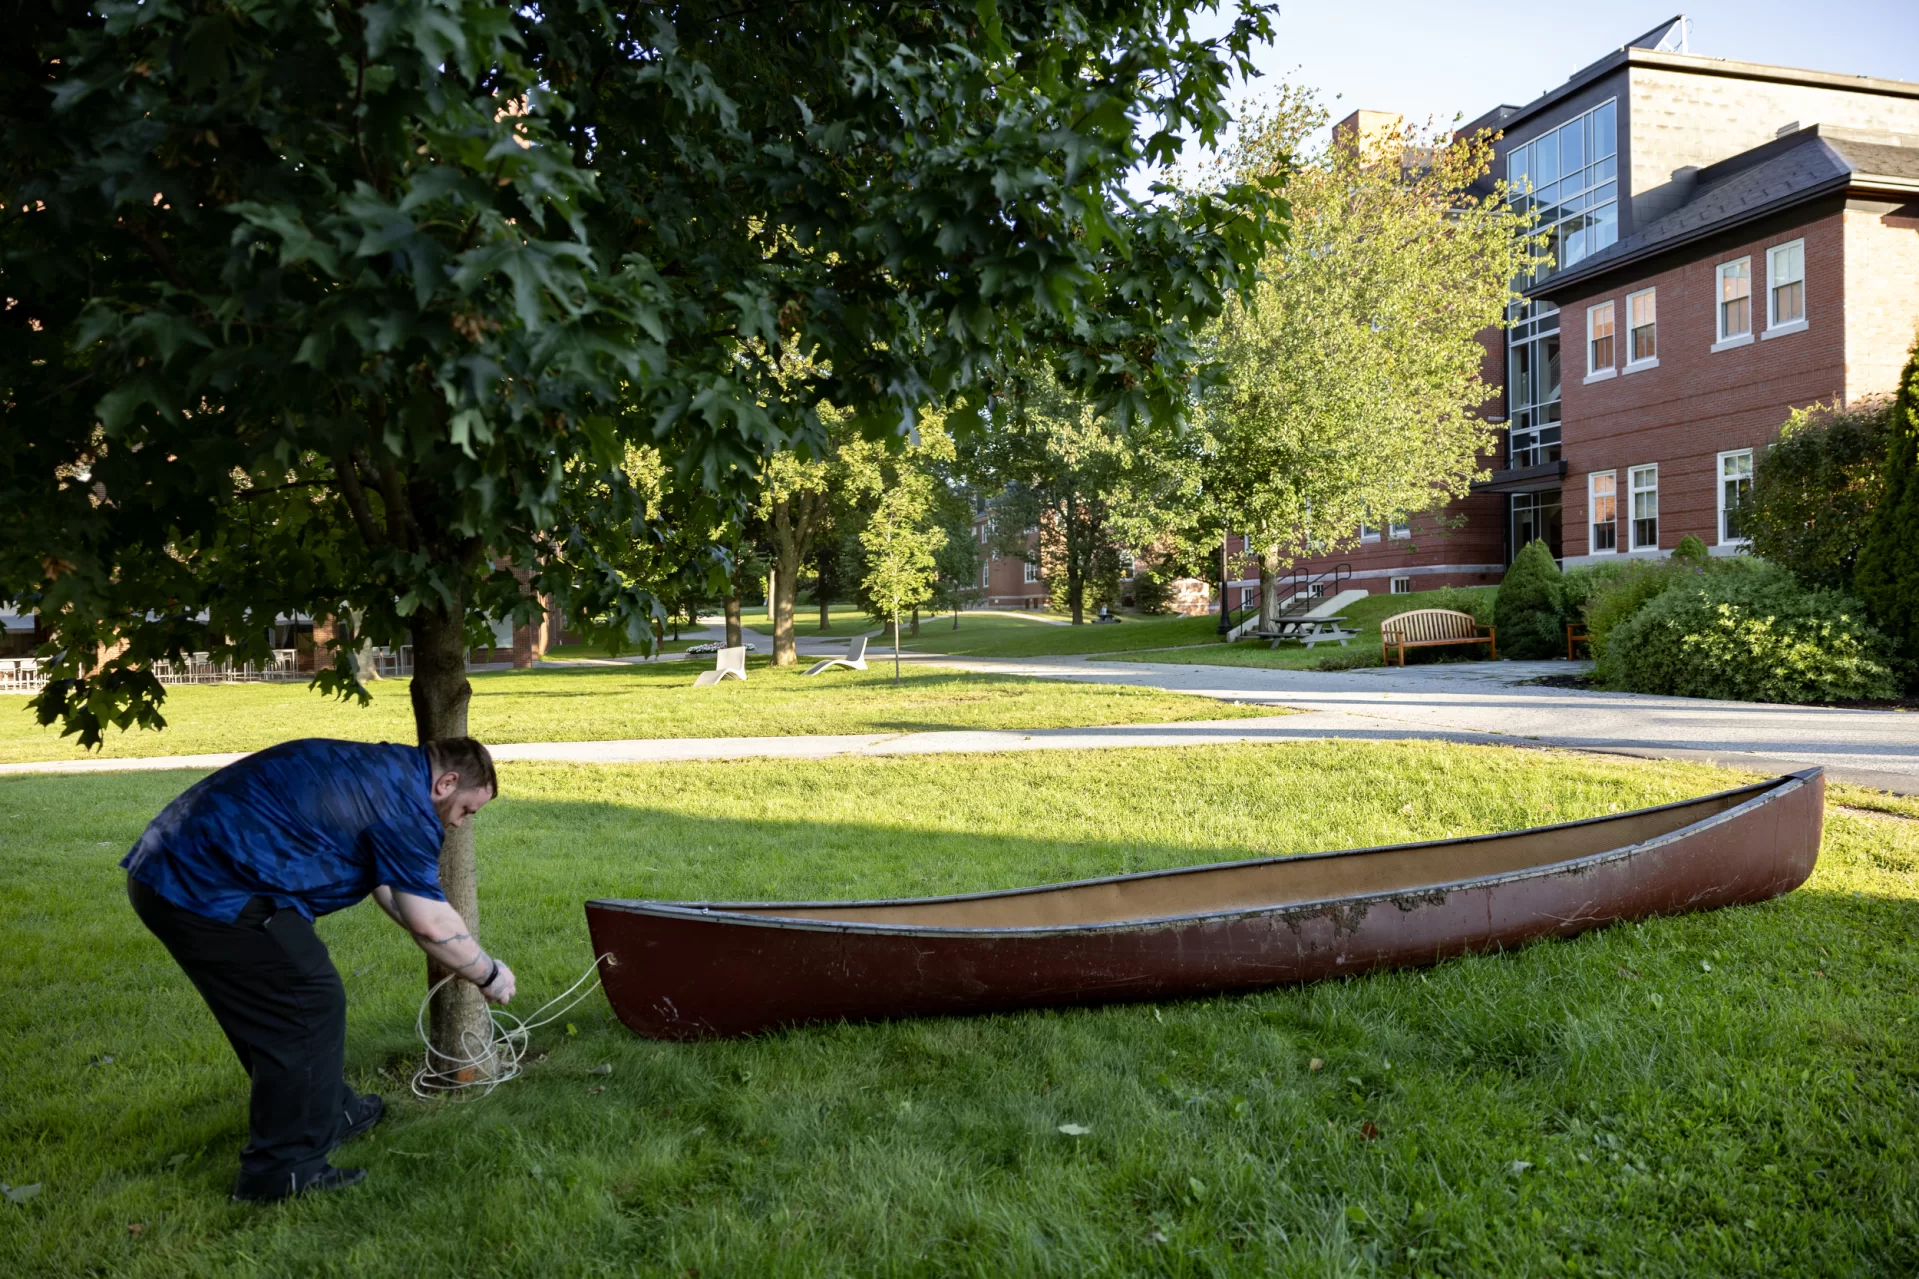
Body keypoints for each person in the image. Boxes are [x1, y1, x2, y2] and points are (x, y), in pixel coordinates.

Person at [122, 736, 514, 1203]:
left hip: (166, 872)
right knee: (304, 1003)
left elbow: (395, 893)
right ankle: (283, 1172)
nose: (461, 823)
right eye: (467, 810)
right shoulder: (407, 807)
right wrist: (489, 974)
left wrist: (440, 939)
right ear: (446, 782)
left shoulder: (383, 771)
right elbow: (430, 923)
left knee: (279, 1007)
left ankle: (330, 1114)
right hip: (210, 888)